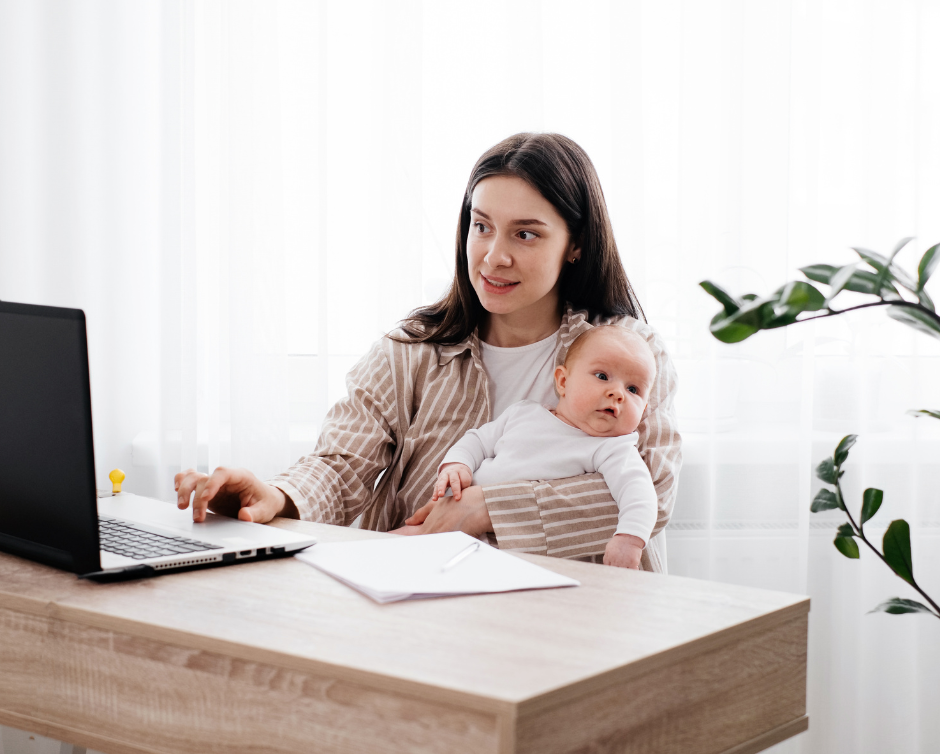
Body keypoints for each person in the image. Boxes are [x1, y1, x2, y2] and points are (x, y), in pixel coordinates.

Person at [174, 132, 682, 572]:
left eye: (525, 234)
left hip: (581, 613)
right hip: (426, 605)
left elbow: (652, 492)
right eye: (481, 226)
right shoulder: (411, 351)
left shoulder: (632, 355)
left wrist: (485, 509)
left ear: (576, 244)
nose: (494, 255)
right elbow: (340, 465)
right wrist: (275, 496)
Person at [431, 325, 657, 569]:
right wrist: (458, 464)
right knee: (405, 541)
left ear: (643, 410)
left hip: (511, 549)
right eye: (602, 376)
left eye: (633, 389)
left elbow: (639, 492)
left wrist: (630, 539)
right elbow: (477, 440)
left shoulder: (612, 448)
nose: (617, 393)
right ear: (563, 381)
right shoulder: (523, 412)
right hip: (451, 521)